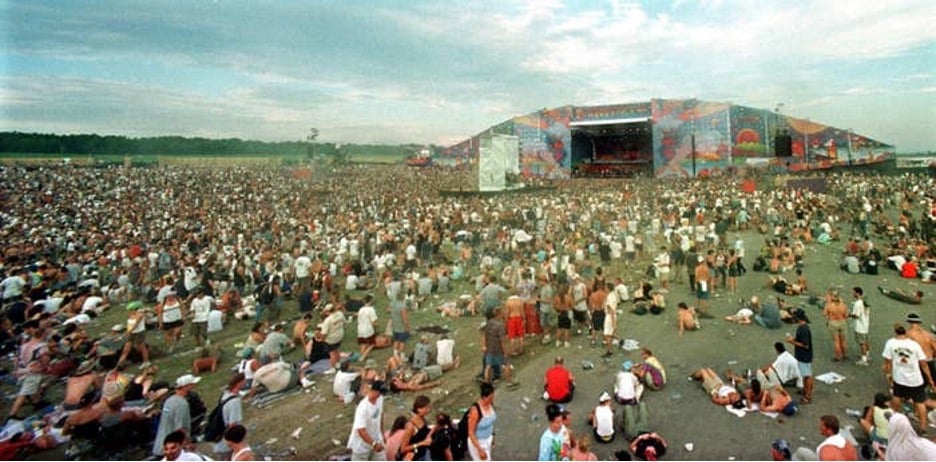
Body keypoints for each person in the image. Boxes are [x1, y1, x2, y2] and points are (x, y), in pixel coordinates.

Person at [882, 322, 936, 430]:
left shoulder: (890, 343)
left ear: (895, 332)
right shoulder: (914, 345)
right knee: (920, 402)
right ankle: (923, 427)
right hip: (915, 379)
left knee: (896, 396)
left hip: (899, 377)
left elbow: (887, 362)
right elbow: (923, 364)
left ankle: (894, 420)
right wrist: (930, 379)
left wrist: (888, 374)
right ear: (905, 332)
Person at [152, 374, 200, 457]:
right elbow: (181, 429)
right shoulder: (182, 404)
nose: (194, 386)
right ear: (186, 386)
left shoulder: (169, 400)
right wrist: (188, 445)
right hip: (172, 450)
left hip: (161, 446)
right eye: (192, 384)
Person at [346, 380, 387, 461]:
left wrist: (382, 433)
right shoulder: (363, 408)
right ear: (374, 391)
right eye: (379, 392)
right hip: (362, 445)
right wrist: (373, 444)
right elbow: (361, 430)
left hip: (376, 438)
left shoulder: (380, 399)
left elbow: (380, 415)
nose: (380, 395)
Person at [213, 373, 246, 459]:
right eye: (243, 381)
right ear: (239, 383)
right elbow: (233, 425)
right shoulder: (235, 401)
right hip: (228, 443)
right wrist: (236, 444)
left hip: (220, 439)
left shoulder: (224, 396)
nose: (245, 382)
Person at [786, 308, 814, 404]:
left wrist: (792, 342)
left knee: (807, 376)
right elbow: (800, 340)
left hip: (804, 356)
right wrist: (794, 339)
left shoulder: (804, 329)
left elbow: (805, 345)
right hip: (801, 355)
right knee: (804, 374)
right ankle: (805, 390)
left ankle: (808, 395)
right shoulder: (801, 327)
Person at [467, 382, 497, 461]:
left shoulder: (490, 404)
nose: (492, 400)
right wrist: (480, 449)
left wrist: (493, 435)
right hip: (479, 442)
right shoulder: (476, 411)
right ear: (484, 397)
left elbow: (491, 422)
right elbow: (470, 432)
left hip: (488, 439)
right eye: (490, 398)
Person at [399, 395, 434, 461]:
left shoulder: (422, 418)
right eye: (426, 408)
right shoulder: (411, 426)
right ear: (419, 409)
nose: (428, 410)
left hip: (423, 452)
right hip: (414, 456)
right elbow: (403, 449)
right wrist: (422, 443)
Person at [116, 301, 150, 369]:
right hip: (131, 333)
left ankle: (146, 362)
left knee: (142, 347)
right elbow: (129, 326)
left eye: (131, 310)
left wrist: (122, 336)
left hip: (139, 333)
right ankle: (119, 364)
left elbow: (134, 326)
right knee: (126, 349)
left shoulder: (140, 315)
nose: (129, 312)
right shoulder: (131, 315)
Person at [904, 312, 936, 384]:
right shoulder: (928, 334)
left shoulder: (907, 334)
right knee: (933, 380)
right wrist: (933, 356)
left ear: (910, 322)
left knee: (918, 383)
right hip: (929, 360)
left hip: (917, 362)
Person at [822, 291, 849, 362]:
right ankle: (845, 354)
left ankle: (838, 356)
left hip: (833, 322)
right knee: (843, 340)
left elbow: (824, 314)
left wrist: (829, 317)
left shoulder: (829, 305)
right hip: (842, 322)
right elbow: (846, 315)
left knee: (836, 341)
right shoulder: (843, 305)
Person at [849, 287, 871, 366]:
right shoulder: (865, 302)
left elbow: (856, 316)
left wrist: (849, 315)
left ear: (857, 293)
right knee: (866, 341)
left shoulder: (857, 303)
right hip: (866, 325)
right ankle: (867, 355)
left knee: (862, 343)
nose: (852, 294)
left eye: (853, 292)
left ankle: (864, 359)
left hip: (860, 327)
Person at [356, 294, 379, 361]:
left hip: (360, 329)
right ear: (371, 301)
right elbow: (373, 322)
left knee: (364, 343)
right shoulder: (371, 309)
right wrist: (377, 326)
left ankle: (362, 355)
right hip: (368, 329)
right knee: (372, 344)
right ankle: (363, 356)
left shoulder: (361, 309)